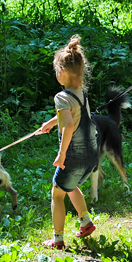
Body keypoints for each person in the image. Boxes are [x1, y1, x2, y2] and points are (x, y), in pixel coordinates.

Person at [40, 34, 98, 249]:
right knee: (70, 185)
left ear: (61, 73)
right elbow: (73, 116)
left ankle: (57, 240)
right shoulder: (81, 93)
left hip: (73, 155)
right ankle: (85, 221)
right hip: (91, 154)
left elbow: (70, 125)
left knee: (57, 193)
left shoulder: (61, 97)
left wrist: (62, 154)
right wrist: (52, 122)